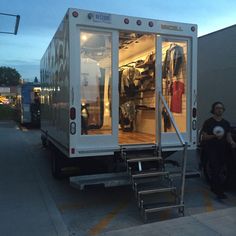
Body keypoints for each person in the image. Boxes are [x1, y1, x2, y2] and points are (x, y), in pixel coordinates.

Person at [201, 101, 236, 199]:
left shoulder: (226, 123)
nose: (219, 110)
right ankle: (219, 191)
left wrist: (232, 143)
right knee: (215, 168)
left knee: (219, 169)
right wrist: (214, 136)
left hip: (222, 149)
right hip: (211, 149)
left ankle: (213, 186)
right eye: (217, 108)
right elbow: (204, 137)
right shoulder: (208, 122)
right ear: (213, 110)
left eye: (221, 108)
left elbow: (228, 136)